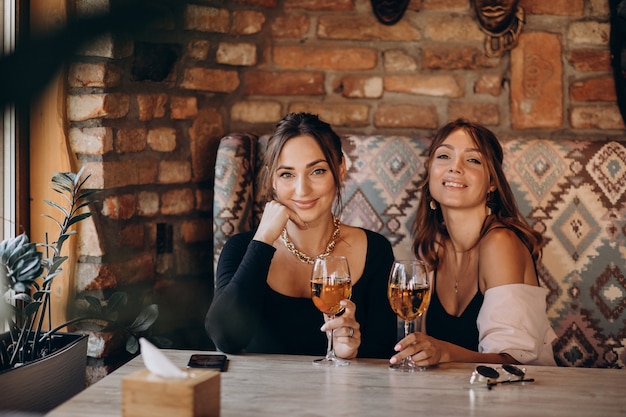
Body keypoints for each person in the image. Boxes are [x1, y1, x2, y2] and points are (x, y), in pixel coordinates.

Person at [206, 112, 397, 359]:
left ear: (340, 170)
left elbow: (384, 351)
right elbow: (225, 339)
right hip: (258, 395)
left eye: (317, 171)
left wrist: (351, 353)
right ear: (272, 179)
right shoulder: (241, 248)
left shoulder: (376, 250)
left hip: (344, 395)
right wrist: (263, 238)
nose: (302, 189)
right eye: (287, 174)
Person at [390, 119, 557, 367]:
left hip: (517, 397)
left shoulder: (500, 243)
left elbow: (513, 361)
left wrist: (443, 352)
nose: (455, 167)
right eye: (444, 156)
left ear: (491, 183)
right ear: (430, 173)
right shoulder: (432, 247)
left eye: (473, 160)